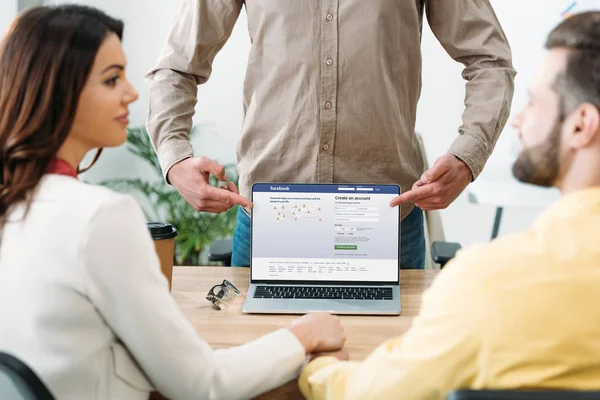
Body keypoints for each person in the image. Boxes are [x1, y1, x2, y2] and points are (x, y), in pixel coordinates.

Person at [0, 6, 346, 400]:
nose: (132, 93)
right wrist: (304, 334)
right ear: (57, 89)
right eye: (112, 79)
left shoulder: (17, 205)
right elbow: (202, 385)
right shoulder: (100, 218)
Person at [299, 11, 600, 400]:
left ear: (580, 125)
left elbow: (372, 394)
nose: (518, 120)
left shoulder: (490, 285)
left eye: (534, 101)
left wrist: (316, 364)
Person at [146, 0, 516, 269]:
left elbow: (490, 61)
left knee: (385, 372)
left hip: (386, 225)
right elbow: (176, 67)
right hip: (270, 219)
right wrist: (175, 156)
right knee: (262, 371)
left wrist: (468, 155)